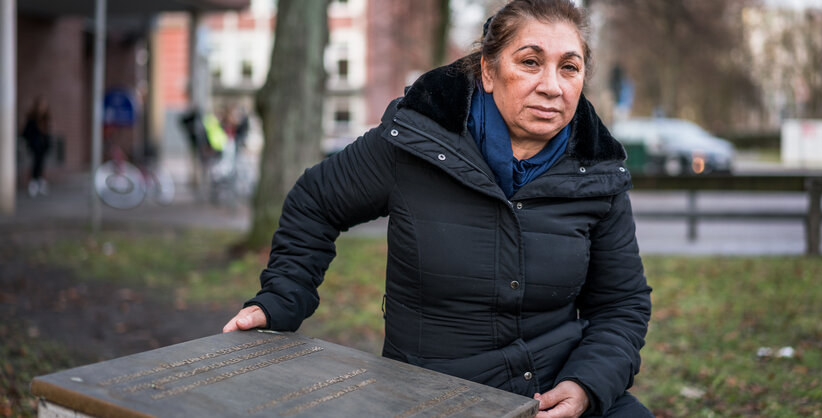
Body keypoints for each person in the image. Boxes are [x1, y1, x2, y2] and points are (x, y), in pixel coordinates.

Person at [224, 1, 652, 416]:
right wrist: (283, 298)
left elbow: (622, 304)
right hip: (436, 396)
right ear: (488, 70)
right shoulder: (417, 143)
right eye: (530, 62)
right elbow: (315, 201)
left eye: (569, 68)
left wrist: (585, 385)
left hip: (558, 392)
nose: (551, 86)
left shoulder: (598, 175)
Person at [21, 97, 52, 197]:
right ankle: (34, 183)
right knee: (35, 163)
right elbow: (25, 132)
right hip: (34, 146)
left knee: (41, 163)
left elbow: (47, 133)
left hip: (43, 146)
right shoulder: (32, 119)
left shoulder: (45, 118)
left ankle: (40, 182)